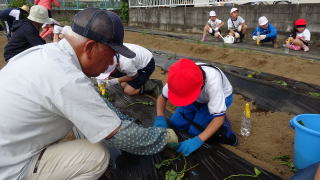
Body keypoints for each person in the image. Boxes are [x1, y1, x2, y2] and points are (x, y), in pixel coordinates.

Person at [0, 8, 176, 180]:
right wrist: (162, 138)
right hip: (10, 166)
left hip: (11, 145)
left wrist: (119, 119)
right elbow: (121, 135)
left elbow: (95, 103)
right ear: (90, 47)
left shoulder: (47, 54)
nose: (110, 62)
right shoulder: (67, 79)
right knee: (97, 156)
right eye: (111, 54)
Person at [154, 59, 238, 156]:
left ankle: (226, 131)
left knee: (194, 131)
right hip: (194, 97)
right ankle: (209, 114)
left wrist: (197, 140)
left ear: (202, 84)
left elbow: (219, 118)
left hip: (221, 97)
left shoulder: (213, 82)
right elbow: (162, 97)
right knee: (175, 124)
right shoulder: (178, 78)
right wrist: (160, 117)